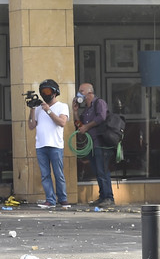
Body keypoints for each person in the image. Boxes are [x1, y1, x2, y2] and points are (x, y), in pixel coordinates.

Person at [27, 79, 70, 209]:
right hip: (41, 146)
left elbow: (62, 122)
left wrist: (48, 110)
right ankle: (50, 200)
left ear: (55, 92)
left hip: (55, 145)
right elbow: (31, 125)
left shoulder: (62, 106)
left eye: (48, 91)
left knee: (58, 174)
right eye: (43, 91)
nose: (45, 93)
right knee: (45, 175)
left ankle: (63, 199)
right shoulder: (39, 108)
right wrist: (33, 109)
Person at [74, 82, 114, 206]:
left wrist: (87, 126)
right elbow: (80, 127)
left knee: (103, 171)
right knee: (97, 171)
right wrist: (75, 112)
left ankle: (109, 197)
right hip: (90, 144)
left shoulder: (99, 103)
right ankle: (102, 196)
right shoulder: (86, 110)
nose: (79, 93)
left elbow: (101, 117)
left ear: (90, 93)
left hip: (101, 143)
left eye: (82, 91)